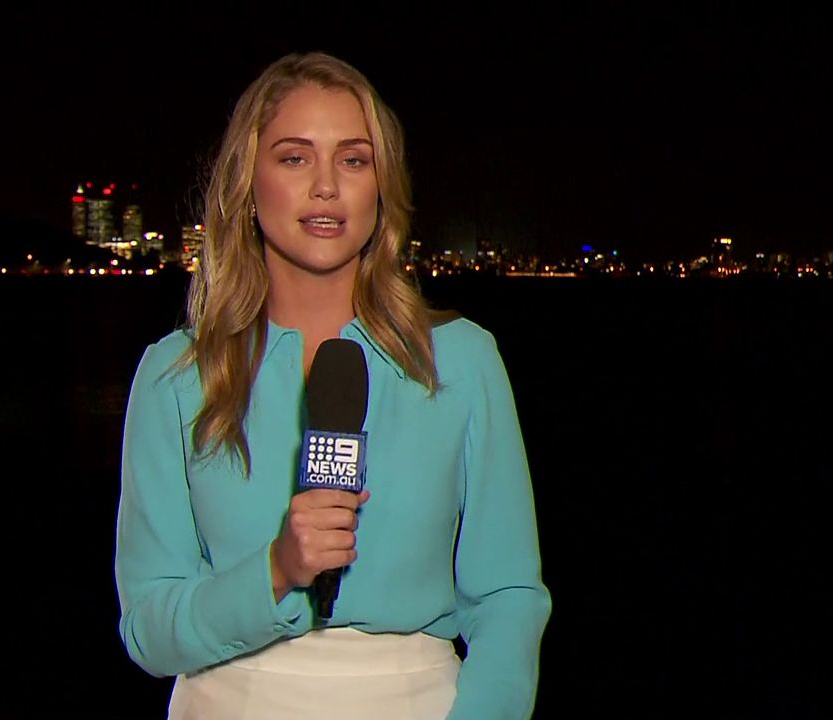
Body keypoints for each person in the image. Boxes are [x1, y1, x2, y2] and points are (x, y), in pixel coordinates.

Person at [114, 51, 550, 719]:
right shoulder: (174, 376)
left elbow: (508, 598)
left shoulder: (463, 362)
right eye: (294, 158)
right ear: (247, 184)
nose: (325, 186)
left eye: (353, 159)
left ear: (381, 187)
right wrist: (276, 571)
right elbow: (149, 629)